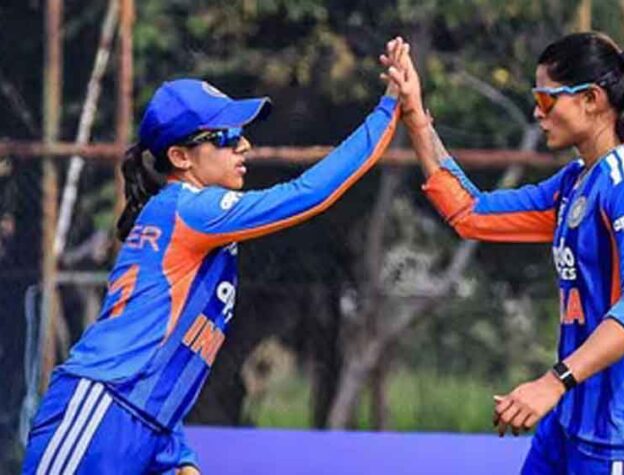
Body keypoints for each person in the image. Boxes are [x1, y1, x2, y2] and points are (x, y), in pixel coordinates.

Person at [23, 60, 400, 473]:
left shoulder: (199, 225)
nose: (244, 146)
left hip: (148, 424)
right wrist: (388, 109)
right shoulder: (190, 209)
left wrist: (177, 452)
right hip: (102, 413)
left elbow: (163, 353)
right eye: (227, 137)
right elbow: (306, 194)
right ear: (180, 156)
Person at [382, 33, 624, 474]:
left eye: (546, 99)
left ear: (591, 99)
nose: (536, 113)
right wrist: (414, 113)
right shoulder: (576, 182)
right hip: (570, 424)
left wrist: (553, 382)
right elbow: (469, 212)